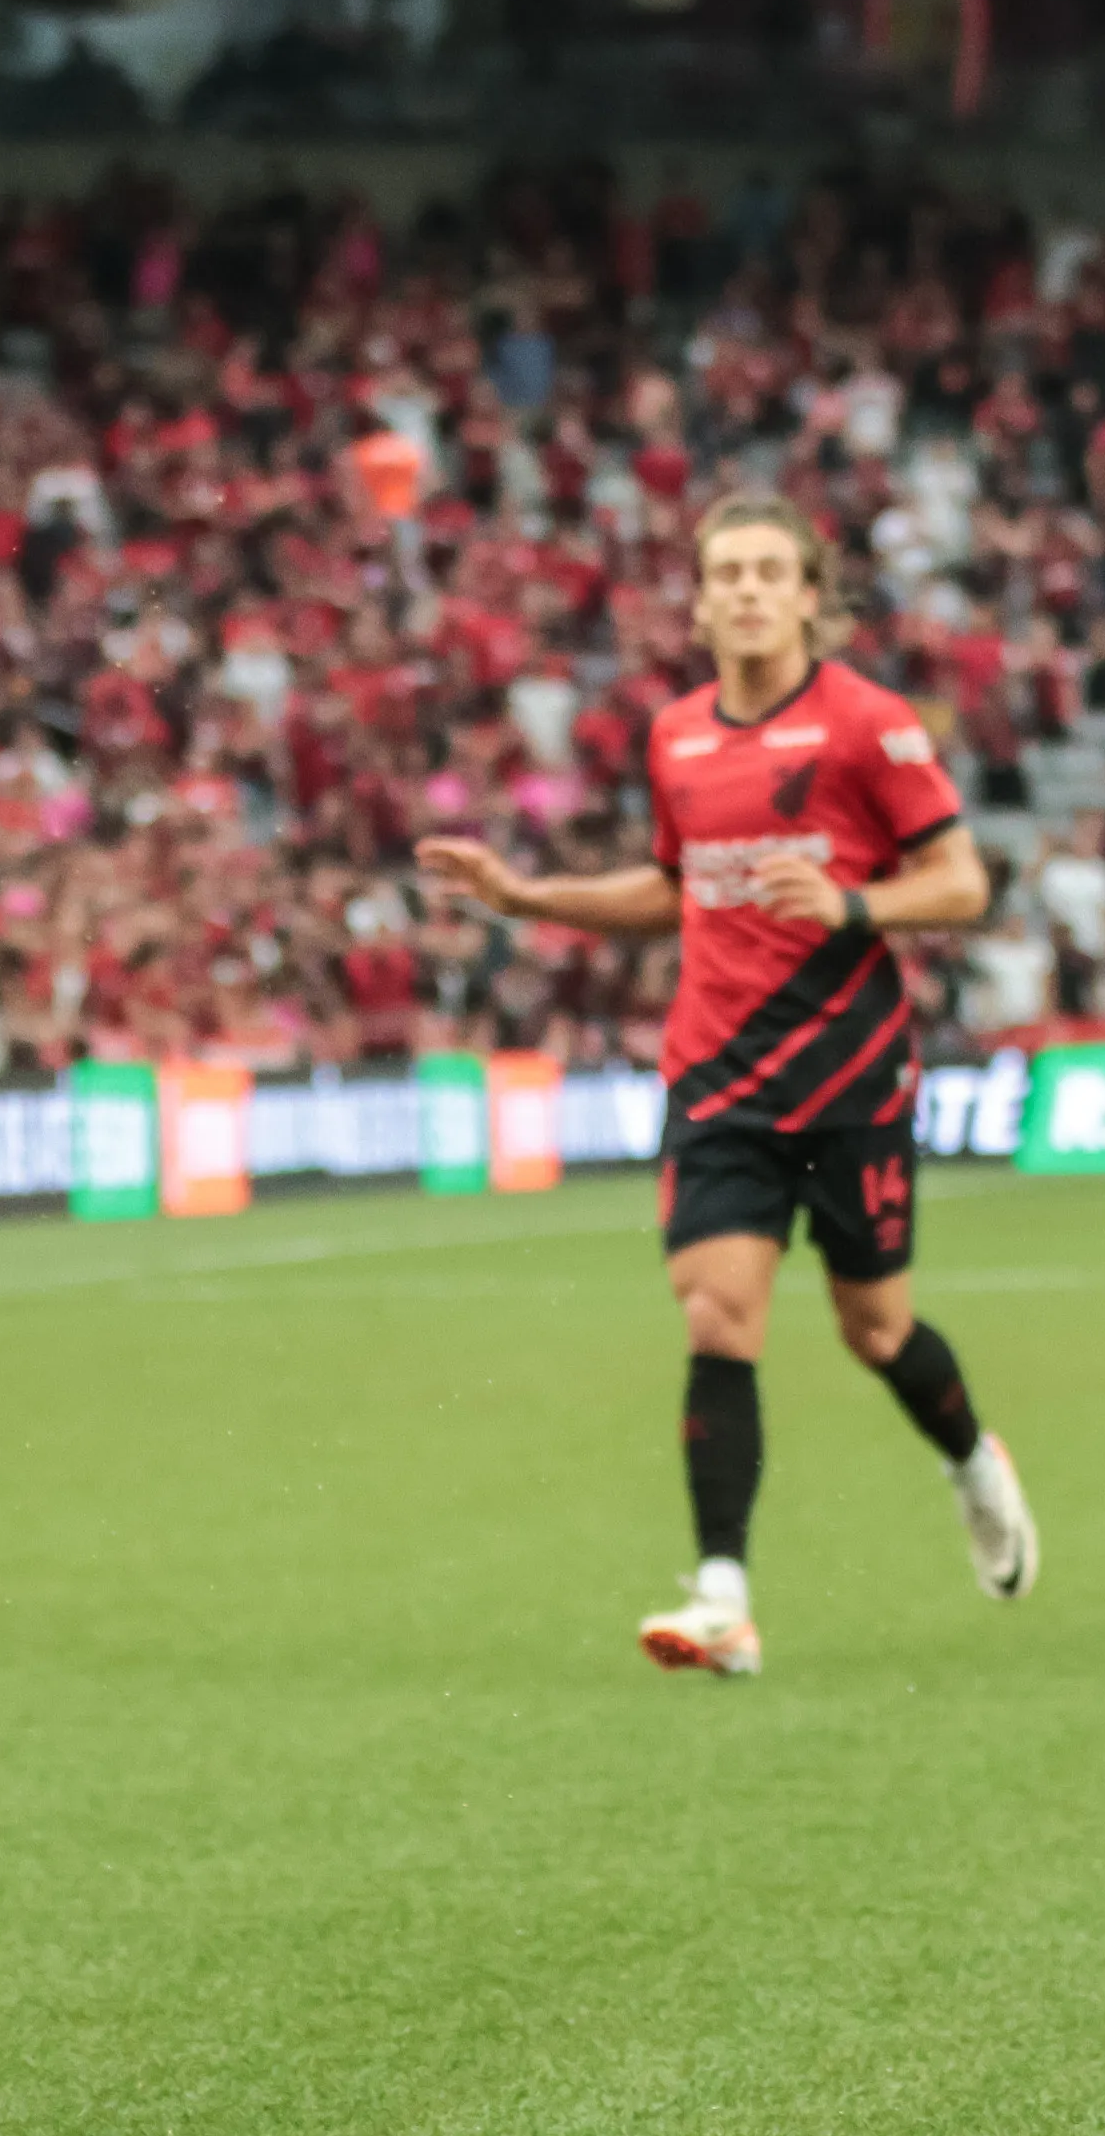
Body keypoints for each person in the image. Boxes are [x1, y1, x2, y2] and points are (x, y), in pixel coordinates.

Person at [422, 492, 1039, 1679]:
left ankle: (973, 1464)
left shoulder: (870, 726)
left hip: (852, 1076)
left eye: (769, 571)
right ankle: (723, 1601)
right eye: (727, 574)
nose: (748, 590)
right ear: (700, 603)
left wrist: (856, 903)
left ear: (810, 594)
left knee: (877, 1331)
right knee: (719, 1316)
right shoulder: (675, 738)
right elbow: (676, 888)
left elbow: (960, 882)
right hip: (716, 1076)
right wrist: (527, 897)